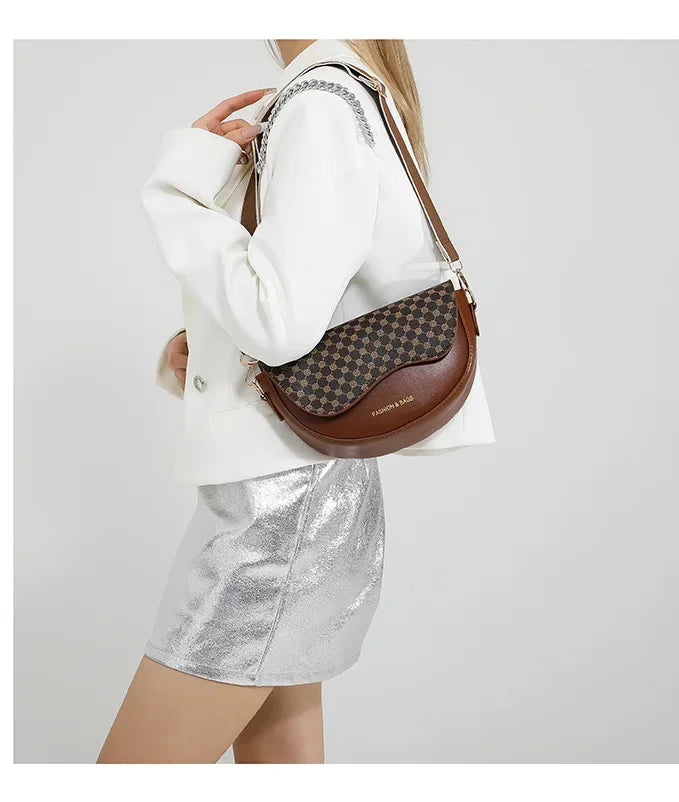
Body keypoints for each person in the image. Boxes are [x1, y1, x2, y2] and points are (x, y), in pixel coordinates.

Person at [98, 38, 494, 764]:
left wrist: (178, 193)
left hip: (275, 513)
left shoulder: (319, 103)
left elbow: (278, 326)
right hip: (299, 491)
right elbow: (291, 305)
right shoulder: (339, 93)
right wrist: (200, 349)